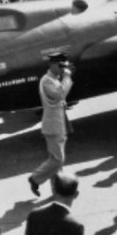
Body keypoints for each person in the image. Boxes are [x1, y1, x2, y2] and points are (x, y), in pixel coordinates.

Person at [28, 53, 73, 197]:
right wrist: (67, 77)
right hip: (53, 125)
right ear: (52, 64)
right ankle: (35, 178)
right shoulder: (47, 81)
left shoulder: (54, 79)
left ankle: (58, 190)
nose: (62, 69)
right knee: (57, 160)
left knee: (57, 160)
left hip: (58, 124)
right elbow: (60, 95)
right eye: (61, 66)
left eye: (64, 66)